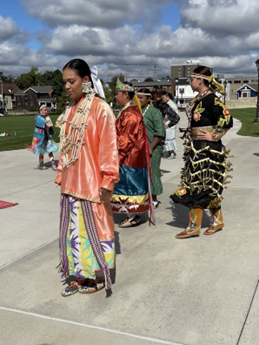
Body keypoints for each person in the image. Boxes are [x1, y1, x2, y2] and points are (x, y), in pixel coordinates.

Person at [55, 58, 119, 297]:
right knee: (74, 232)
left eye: (71, 81)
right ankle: (81, 274)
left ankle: (97, 275)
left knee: (92, 230)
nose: (67, 86)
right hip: (72, 183)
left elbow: (109, 147)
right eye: (64, 82)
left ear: (85, 80)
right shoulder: (71, 109)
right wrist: (62, 170)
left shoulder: (100, 108)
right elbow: (66, 146)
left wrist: (108, 178)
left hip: (92, 184)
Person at [170, 66, 233, 239]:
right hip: (197, 147)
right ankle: (217, 221)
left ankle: (193, 226)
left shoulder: (212, 99)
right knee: (205, 184)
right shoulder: (200, 98)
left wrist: (215, 135)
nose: (190, 82)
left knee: (199, 185)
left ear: (200, 80)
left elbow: (227, 118)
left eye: (191, 79)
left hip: (207, 149)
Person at [110, 79, 154, 228]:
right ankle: (132, 214)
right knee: (127, 185)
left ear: (126, 95)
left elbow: (126, 139)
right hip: (130, 156)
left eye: (117, 94)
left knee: (129, 186)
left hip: (130, 157)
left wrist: (117, 157)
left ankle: (133, 216)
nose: (116, 97)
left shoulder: (130, 114)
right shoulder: (129, 111)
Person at [136, 88, 165, 208]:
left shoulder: (154, 112)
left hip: (153, 148)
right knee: (140, 174)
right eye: (137, 98)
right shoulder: (136, 111)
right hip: (138, 149)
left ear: (148, 99)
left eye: (141, 98)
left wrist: (151, 147)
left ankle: (154, 199)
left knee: (152, 173)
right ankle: (142, 197)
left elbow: (160, 132)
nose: (138, 100)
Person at [28, 105, 58, 170]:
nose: (46, 111)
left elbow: (49, 124)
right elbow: (41, 123)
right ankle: (41, 164)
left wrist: (50, 128)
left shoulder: (47, 117)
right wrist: (45, 122)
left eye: (46, 110)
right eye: (44, 110)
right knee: (41, 151)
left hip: (47, 136)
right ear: (40, 110)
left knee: (50, 150)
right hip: (41, 137)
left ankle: (53, 164)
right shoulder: (38, 117)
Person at [162, 92, 180, 159]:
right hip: (167, 123)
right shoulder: (167, 104)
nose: (162, 99)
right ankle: (170, 152)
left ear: (167, 97)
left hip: (171, 124)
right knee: (167, 138)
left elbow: (175, 115)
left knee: (169, 138)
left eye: (163, 97)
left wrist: (169, 120)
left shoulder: (171, 104)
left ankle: (172, 153)